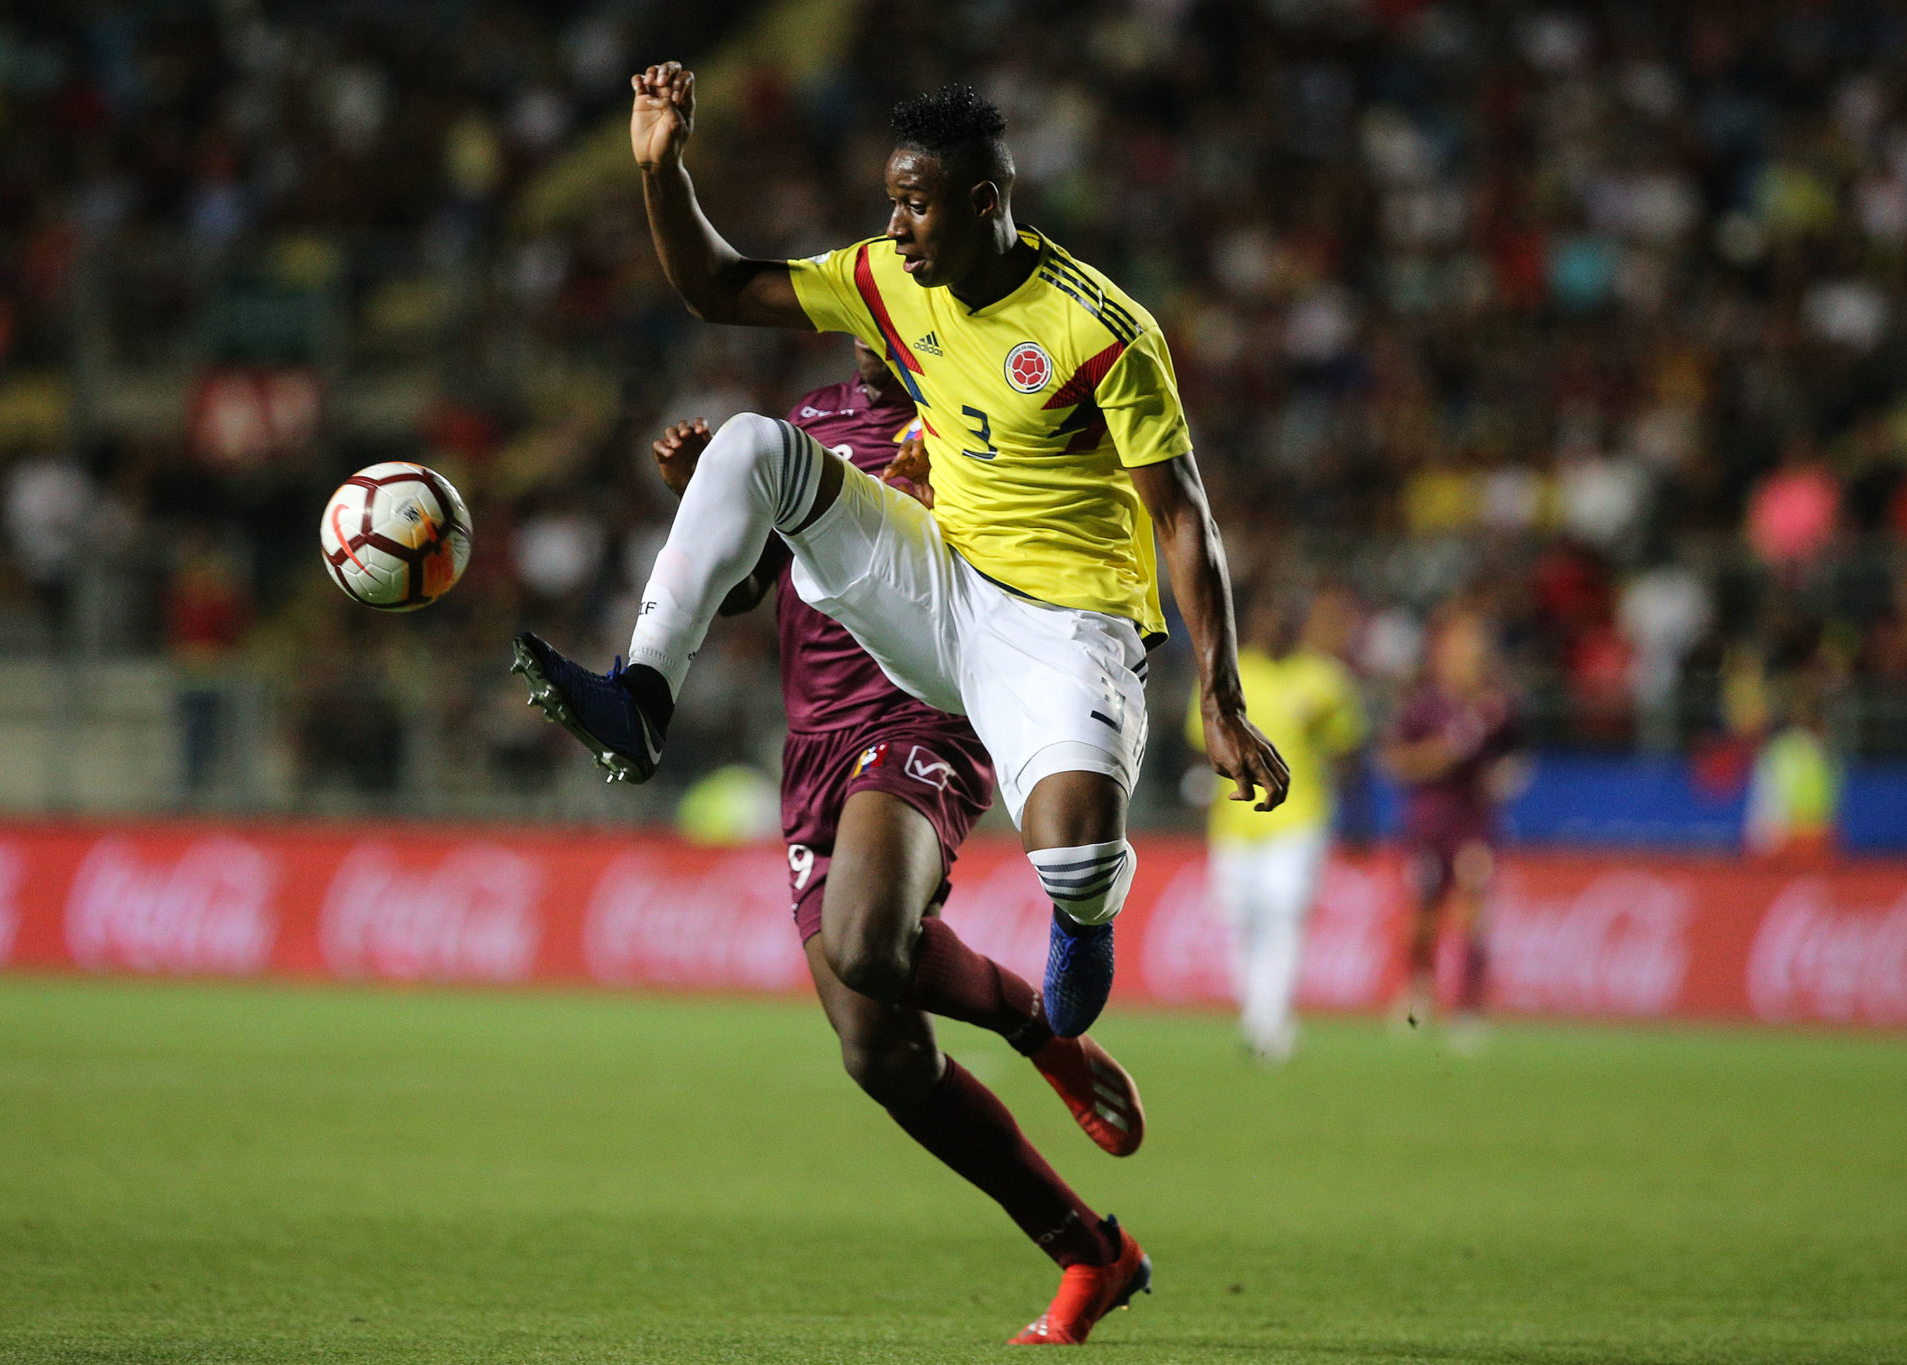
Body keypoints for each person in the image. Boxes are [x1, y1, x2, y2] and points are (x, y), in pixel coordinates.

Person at [511, 68, 1288, 1058]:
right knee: (748, 444)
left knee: (1076, 854)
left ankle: (1084, 911)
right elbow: (717, 286)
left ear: (983, 201)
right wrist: (661, 169)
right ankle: (642, 694)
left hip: (1065, 625)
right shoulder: (884, 274)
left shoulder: (1100, 330)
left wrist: (1218, 696)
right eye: (891, 201)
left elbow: (1183, 519)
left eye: (916, 204)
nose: (896, 224)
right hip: (937, 583)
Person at [643, 338, 1148, 1346]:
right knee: (876, 1052)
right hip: (814, 742)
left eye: (898, 336)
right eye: (864, 335)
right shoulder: (812, 423)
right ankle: (1089, 1252)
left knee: (872, 943)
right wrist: (695, 494)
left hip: (924, 716)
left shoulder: (982, 421)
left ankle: (1038, 1026)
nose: (876, 357)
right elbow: (751, 585)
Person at [1187, 584, 1364, 1064]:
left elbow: (1347, 749)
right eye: (1265, 618)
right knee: (1241, 917)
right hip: (1233, 819)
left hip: (1299, 817)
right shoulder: (1226, 673)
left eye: (1283, 618)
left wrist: (1358, 816)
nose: (1274, 627)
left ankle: (1270, 1023)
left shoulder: (1324, 679)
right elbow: (1198, 740)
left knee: (1283, 914)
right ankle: (1257, 1015)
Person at [1379, 604, 1528, 1030]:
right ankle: (1418, 991)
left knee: (1474, 904)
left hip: (1475, 819)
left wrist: (1505, 774)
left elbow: (1516, 756)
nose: (1472, 658)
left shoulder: (1499, 707)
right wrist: (1442, 754)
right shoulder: (1424, 706)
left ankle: (1468, 1004)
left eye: (1478, 650)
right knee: (1425, 913)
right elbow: (1394, 759)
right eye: (1464, 648)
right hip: (1429, 819)